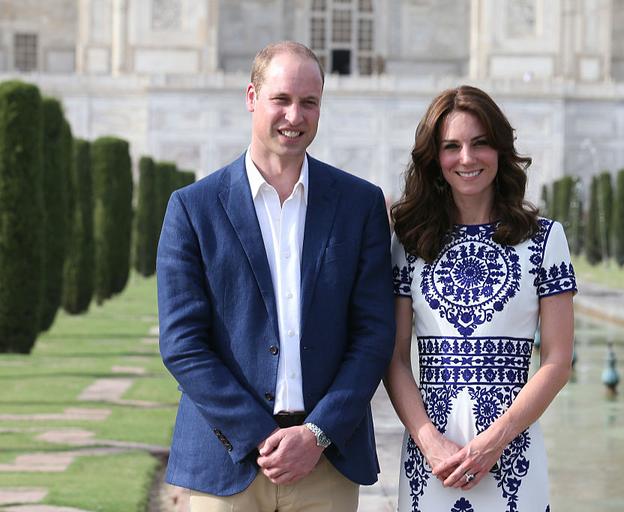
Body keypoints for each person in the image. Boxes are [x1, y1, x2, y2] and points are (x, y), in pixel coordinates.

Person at [157, 41, 395, 512]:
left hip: (326, 462)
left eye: (309, 102)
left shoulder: (359, 205)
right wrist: (263, 436)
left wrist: (317, 434)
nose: (295, 115)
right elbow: (183, 343)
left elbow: (373, 334)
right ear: (251, 97)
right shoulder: (193, 208)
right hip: (226, 460)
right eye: (281, 99)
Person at [385, 85, 576, 511]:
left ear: (500, 150)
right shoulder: (411, 243)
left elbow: (558, 362)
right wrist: (429, 441)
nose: (466, 158)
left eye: (480, 143)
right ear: (435, 159)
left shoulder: (543, 240)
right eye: (452, 146)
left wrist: (494, 441)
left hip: (512, 458)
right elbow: (395, 358)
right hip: (432, 460)